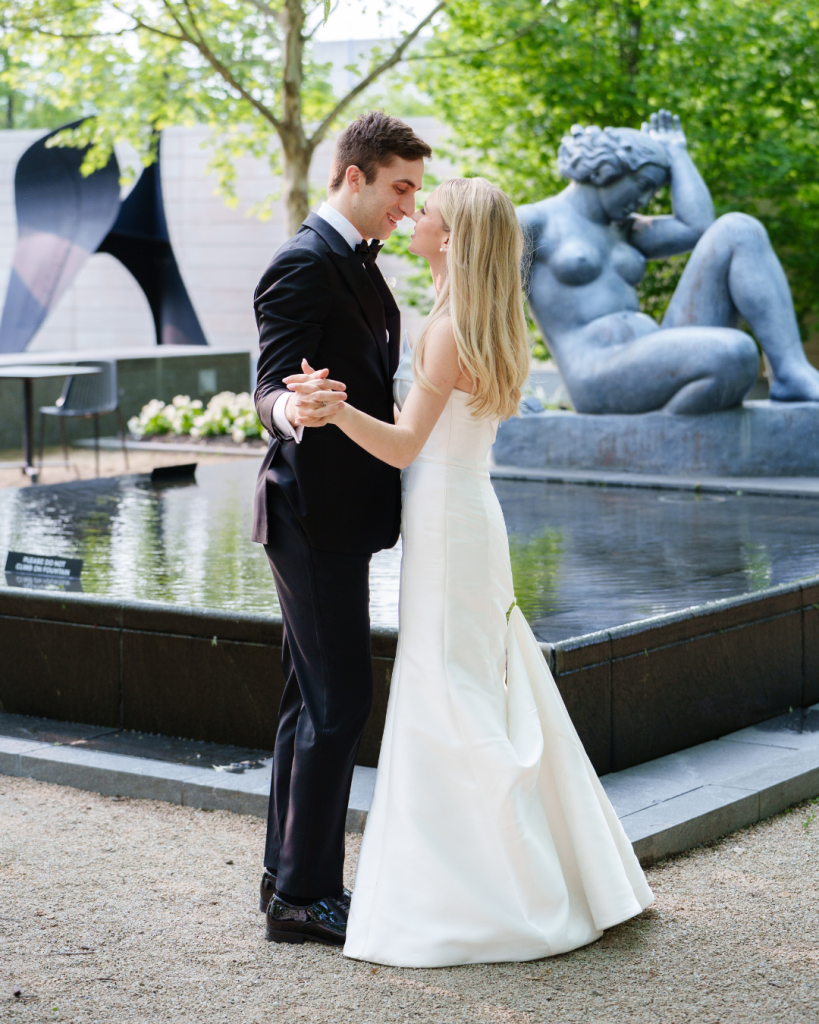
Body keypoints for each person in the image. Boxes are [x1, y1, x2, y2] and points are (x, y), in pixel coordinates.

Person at [291, 177, 653, 968]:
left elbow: (400, 446)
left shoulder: (451, 328)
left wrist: (330, 408)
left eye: (427, 213)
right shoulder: (486, 320)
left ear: (452, 239)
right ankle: (529, 869)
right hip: (466, 512)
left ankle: (488, 892)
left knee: (448, 690)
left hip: (447, 521)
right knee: (471, 681)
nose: (413, 218)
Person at [251, 111, 431, 946]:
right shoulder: (302, 261)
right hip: (310, 512)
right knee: (339, 699)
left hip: (344, 513)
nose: (409, 203)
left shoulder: (357, 262)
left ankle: (283, 875)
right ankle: (305, 895)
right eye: (400, 186)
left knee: (307, 699)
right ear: (353, 176)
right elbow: (266, 390)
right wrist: (296, 404)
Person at [518, 110, 819, 415]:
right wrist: (511, 389)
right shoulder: (533, 221)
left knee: (740, 229)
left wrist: (676, 153)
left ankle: (790, 372)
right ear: (607, 170)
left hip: (654, 353)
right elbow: (483, 306)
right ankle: (664, 424)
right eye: (643, 184)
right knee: (736, 351)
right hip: (596, 372)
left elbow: (697, 227)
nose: (646, 200)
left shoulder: (625, 231)